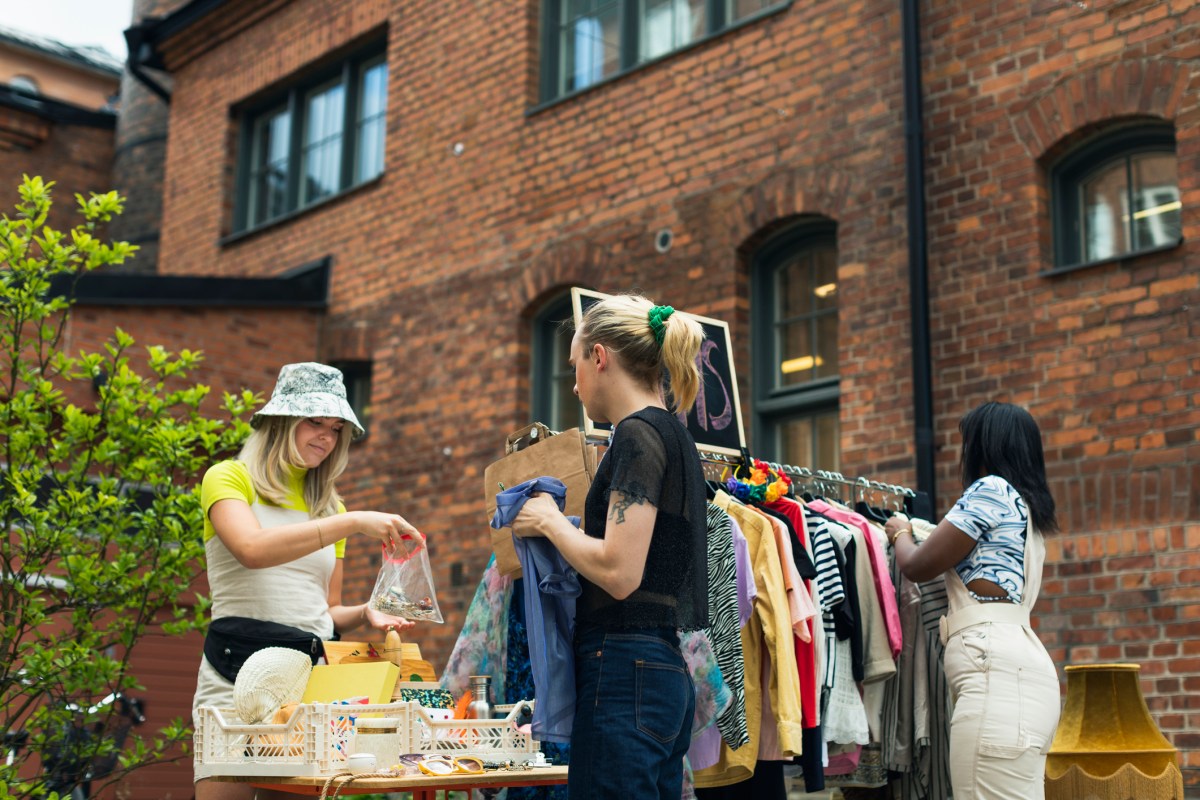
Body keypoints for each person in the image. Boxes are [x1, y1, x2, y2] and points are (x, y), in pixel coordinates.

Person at [511, 295, 710, 800]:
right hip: (661, 669)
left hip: (623, 670)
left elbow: (620, 572)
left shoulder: (637, 436)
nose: (574, 382)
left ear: (600, 357)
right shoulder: (676, 436)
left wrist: (552, 523)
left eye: (575, 364)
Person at [192, 362, 420, 800]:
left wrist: (364, 611)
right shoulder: (229, 478)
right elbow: (252, 549)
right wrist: (351, 522)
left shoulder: (330, 507)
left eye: (336, 428)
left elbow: (325, 611)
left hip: (309, 685)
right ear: (280, 421)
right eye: (314, 421)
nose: (326, 436)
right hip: (231, 673)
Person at [885, 401, 1061, 799]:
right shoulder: (1030, 514)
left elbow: (917, 566)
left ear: (984, 447)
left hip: (992, 669)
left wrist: (900, 532)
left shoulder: (992, 490)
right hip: (1025, 671)